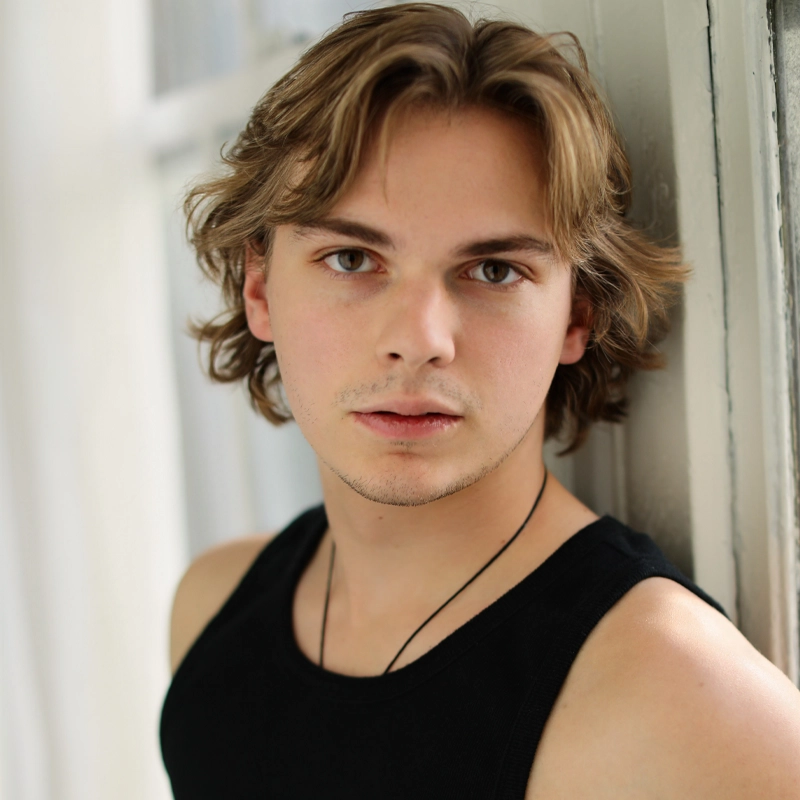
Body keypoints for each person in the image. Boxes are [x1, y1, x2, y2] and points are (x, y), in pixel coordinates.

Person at [160, 4, 800, 798]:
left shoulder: (667, 691)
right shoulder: (213, 610)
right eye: (352, 257)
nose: (420, 338)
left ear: (578, 313)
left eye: (493, 270)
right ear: (260, 287)